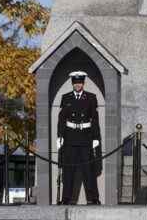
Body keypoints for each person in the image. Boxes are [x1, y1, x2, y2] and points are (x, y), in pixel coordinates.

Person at [57, 71, 101, 205]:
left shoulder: (91, 97)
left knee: (88, 171)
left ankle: (93, 198)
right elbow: (62, 119)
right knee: (68, 170)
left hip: (85, 137)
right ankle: (66, 198)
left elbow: (94, 119)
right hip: (70, 138)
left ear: (83, 83)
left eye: (80, 83)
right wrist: (60, 135)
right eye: (75, 83)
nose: (77, 85)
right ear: (72, 84)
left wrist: (95, 137)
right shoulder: (66, 98)